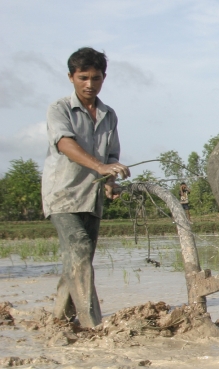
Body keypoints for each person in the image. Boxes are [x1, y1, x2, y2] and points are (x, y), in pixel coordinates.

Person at [41, 47, 130, 327]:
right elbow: (65, 144)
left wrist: (110, 179)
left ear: (104, 78)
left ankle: (59, 319)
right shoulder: (60, 109)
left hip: (92, 198)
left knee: (79, 260)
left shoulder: (108, 114)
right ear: (71, 77)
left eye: (96, 78)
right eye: (83, 78)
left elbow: (111, 155)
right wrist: (100, 167)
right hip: (64, 194)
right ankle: (93, 324)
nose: (90, 84)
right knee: (79, 249)